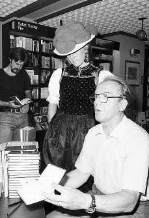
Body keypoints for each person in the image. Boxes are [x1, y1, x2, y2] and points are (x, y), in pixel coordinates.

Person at [43, 76, 149, 218]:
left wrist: (85, 201)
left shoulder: (138, 139)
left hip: (132, 208)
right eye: (96, 96)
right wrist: (49, 185)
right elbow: (81, 173)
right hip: (98, 195)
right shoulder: (93, 132)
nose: (96, 102)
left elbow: (130, 200)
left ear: (122, 105)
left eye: (105, 97)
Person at [42, 23, 113, 187]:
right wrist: (51, 128)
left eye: (75, 52)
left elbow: (109, 108)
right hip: (59, 129)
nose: (71, 57)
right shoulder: (59, 74)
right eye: (68, 54)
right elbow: (53, 103)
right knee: (56, 170)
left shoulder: (101, 75)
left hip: (86, 129)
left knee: (82, 171)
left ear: (86, 49)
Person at [0, 47, 32, 144]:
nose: (19, 68)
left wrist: (27, 102)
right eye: (17, 64)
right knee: (3, 149)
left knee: (23, 149)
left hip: (23, 116)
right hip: (6, 117)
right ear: (10, 59)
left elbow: (28, 92)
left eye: (21, 65)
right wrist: (7, 104)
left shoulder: (23, 73)